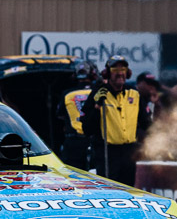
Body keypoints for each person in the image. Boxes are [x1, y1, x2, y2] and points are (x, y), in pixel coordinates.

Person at [81, 55, 150, 185]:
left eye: (123, 69)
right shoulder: (98, 93)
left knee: (129, 190)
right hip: (107, 152)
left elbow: (146, 123)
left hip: (129, 152)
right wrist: (96, 106)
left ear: (128, 73)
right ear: (107, 73)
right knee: (109, 191)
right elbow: (87, 128)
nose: (119, 73)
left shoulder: (134, 93)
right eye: (115, 69)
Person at [57, 61, 97, 170]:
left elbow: (60, 116)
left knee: (73, 175)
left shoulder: (67, 93)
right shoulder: (99, 91)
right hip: (95, 141)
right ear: (93, 74)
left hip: (73, 142)